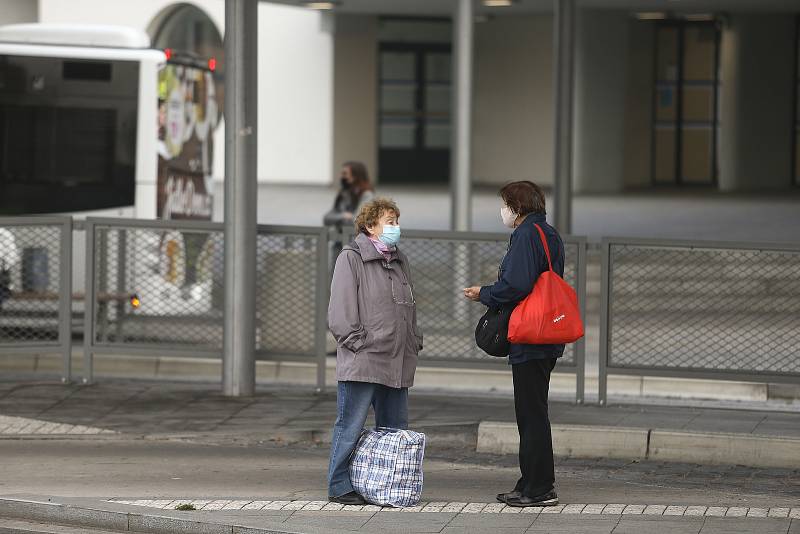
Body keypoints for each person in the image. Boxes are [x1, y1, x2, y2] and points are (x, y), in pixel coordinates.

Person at [463, 181, 565, 508]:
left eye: (505, 204)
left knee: (530, 414)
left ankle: (538, 488)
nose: (502, 211)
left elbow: (517, 285)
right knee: (534, 411)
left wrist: (485, 293)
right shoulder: (548, 233)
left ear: (517, 207)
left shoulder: (525, 236)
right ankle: (531, 481)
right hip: (547, 333)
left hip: (530, 335)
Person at [326, 197, 423, 505]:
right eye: (389, 222)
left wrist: (413, 339)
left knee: (395, 430)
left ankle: (389, 485)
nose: (395, 228)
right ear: (370, 226)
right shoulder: (351, 257)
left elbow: (409, 305)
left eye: (396, 221)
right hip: (365, 357)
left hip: (397, 358)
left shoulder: (399, 258)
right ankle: (338, 484)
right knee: (350, 425)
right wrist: (359, 343)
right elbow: (340, 312)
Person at [323, 161, 375, 237]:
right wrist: (343, 215)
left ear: (355, 176)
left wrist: (339, 219)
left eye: (345, 174)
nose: (341, 177)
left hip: (357, 244)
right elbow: (327, 218)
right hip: (339, 243)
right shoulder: (344, 194)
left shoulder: (367, 195)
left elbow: (358, 221)